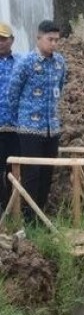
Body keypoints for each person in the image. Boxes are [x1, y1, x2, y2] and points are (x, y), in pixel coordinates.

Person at [7, 20, 67, 223]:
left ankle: (40, 217)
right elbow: (13, 93)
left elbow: (60, 87)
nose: (54, 44)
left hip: (52, 128)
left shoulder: (59, 63)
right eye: (50, 39)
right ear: (39, 38)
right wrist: (21, 119)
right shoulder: (26, 62)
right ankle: (28, 219)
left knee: (47, 173)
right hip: (30, 128)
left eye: (57, 40)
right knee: (31, 175)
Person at [0, 22, 17, 211]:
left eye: (3, 39)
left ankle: (13, 209)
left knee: (14, 171)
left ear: (12, 40)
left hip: (15, 127)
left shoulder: (20, 63)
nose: (0, 42)